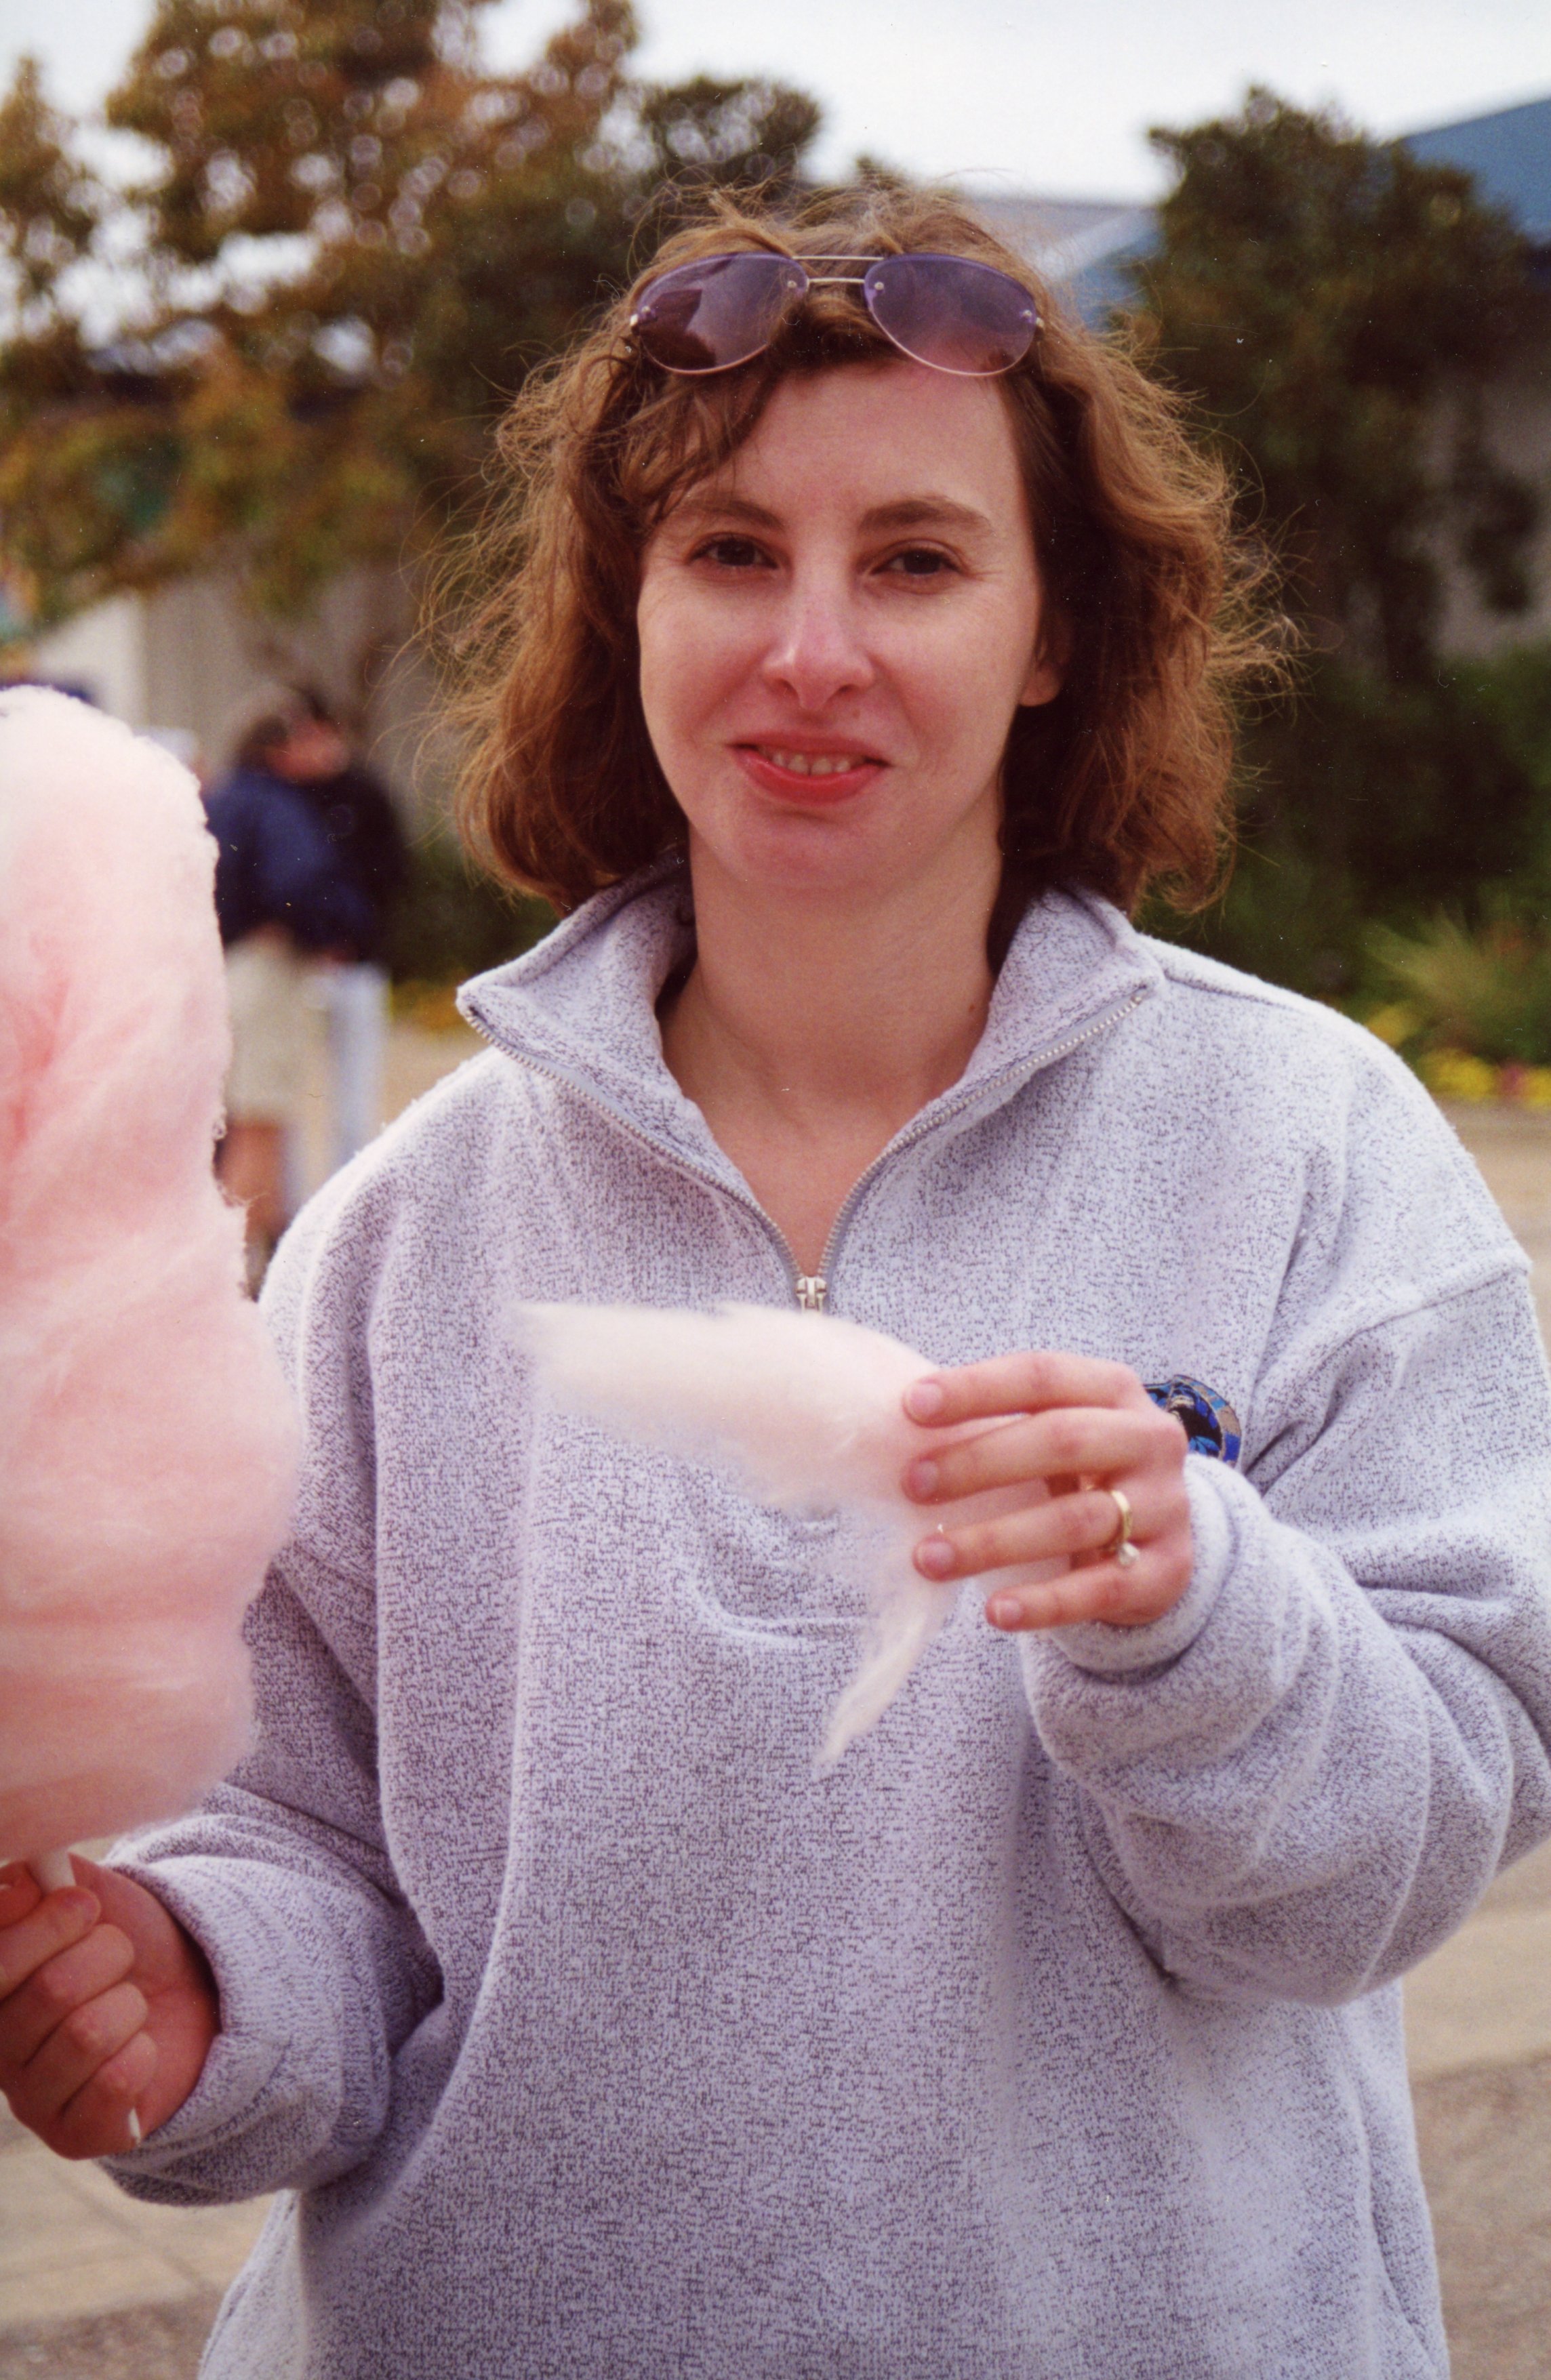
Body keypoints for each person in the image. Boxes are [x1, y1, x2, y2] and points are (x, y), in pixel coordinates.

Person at [2, 189, 1550, 2379]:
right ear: (626, 606)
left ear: (1050, 629)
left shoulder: (1308, 1149)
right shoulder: (400, 1232)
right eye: (731, 551)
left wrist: (1197, 1610)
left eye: (913, 561)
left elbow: (1390, 1873)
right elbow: (297, 1854)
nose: (809, 650)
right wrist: (199, 1988)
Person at [203, 699, 376, 1280]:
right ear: (278, 747)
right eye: (305, 738)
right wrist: (332, 929)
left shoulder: (222, 798)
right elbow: (298, 883)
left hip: (225, 967)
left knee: (238, 1123)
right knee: (260, 1125)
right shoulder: (275, 804)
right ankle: (231, 1274)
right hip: (268, 968)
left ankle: (253, 1266)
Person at [260, 688, 409, 1174]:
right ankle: (292, 1200)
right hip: (299, 965)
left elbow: (392, 873)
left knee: (354, 1092)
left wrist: (352, 933)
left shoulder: (365, 793)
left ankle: (350, 1185)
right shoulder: (284, 796)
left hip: (357, 963)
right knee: (290, 1091)